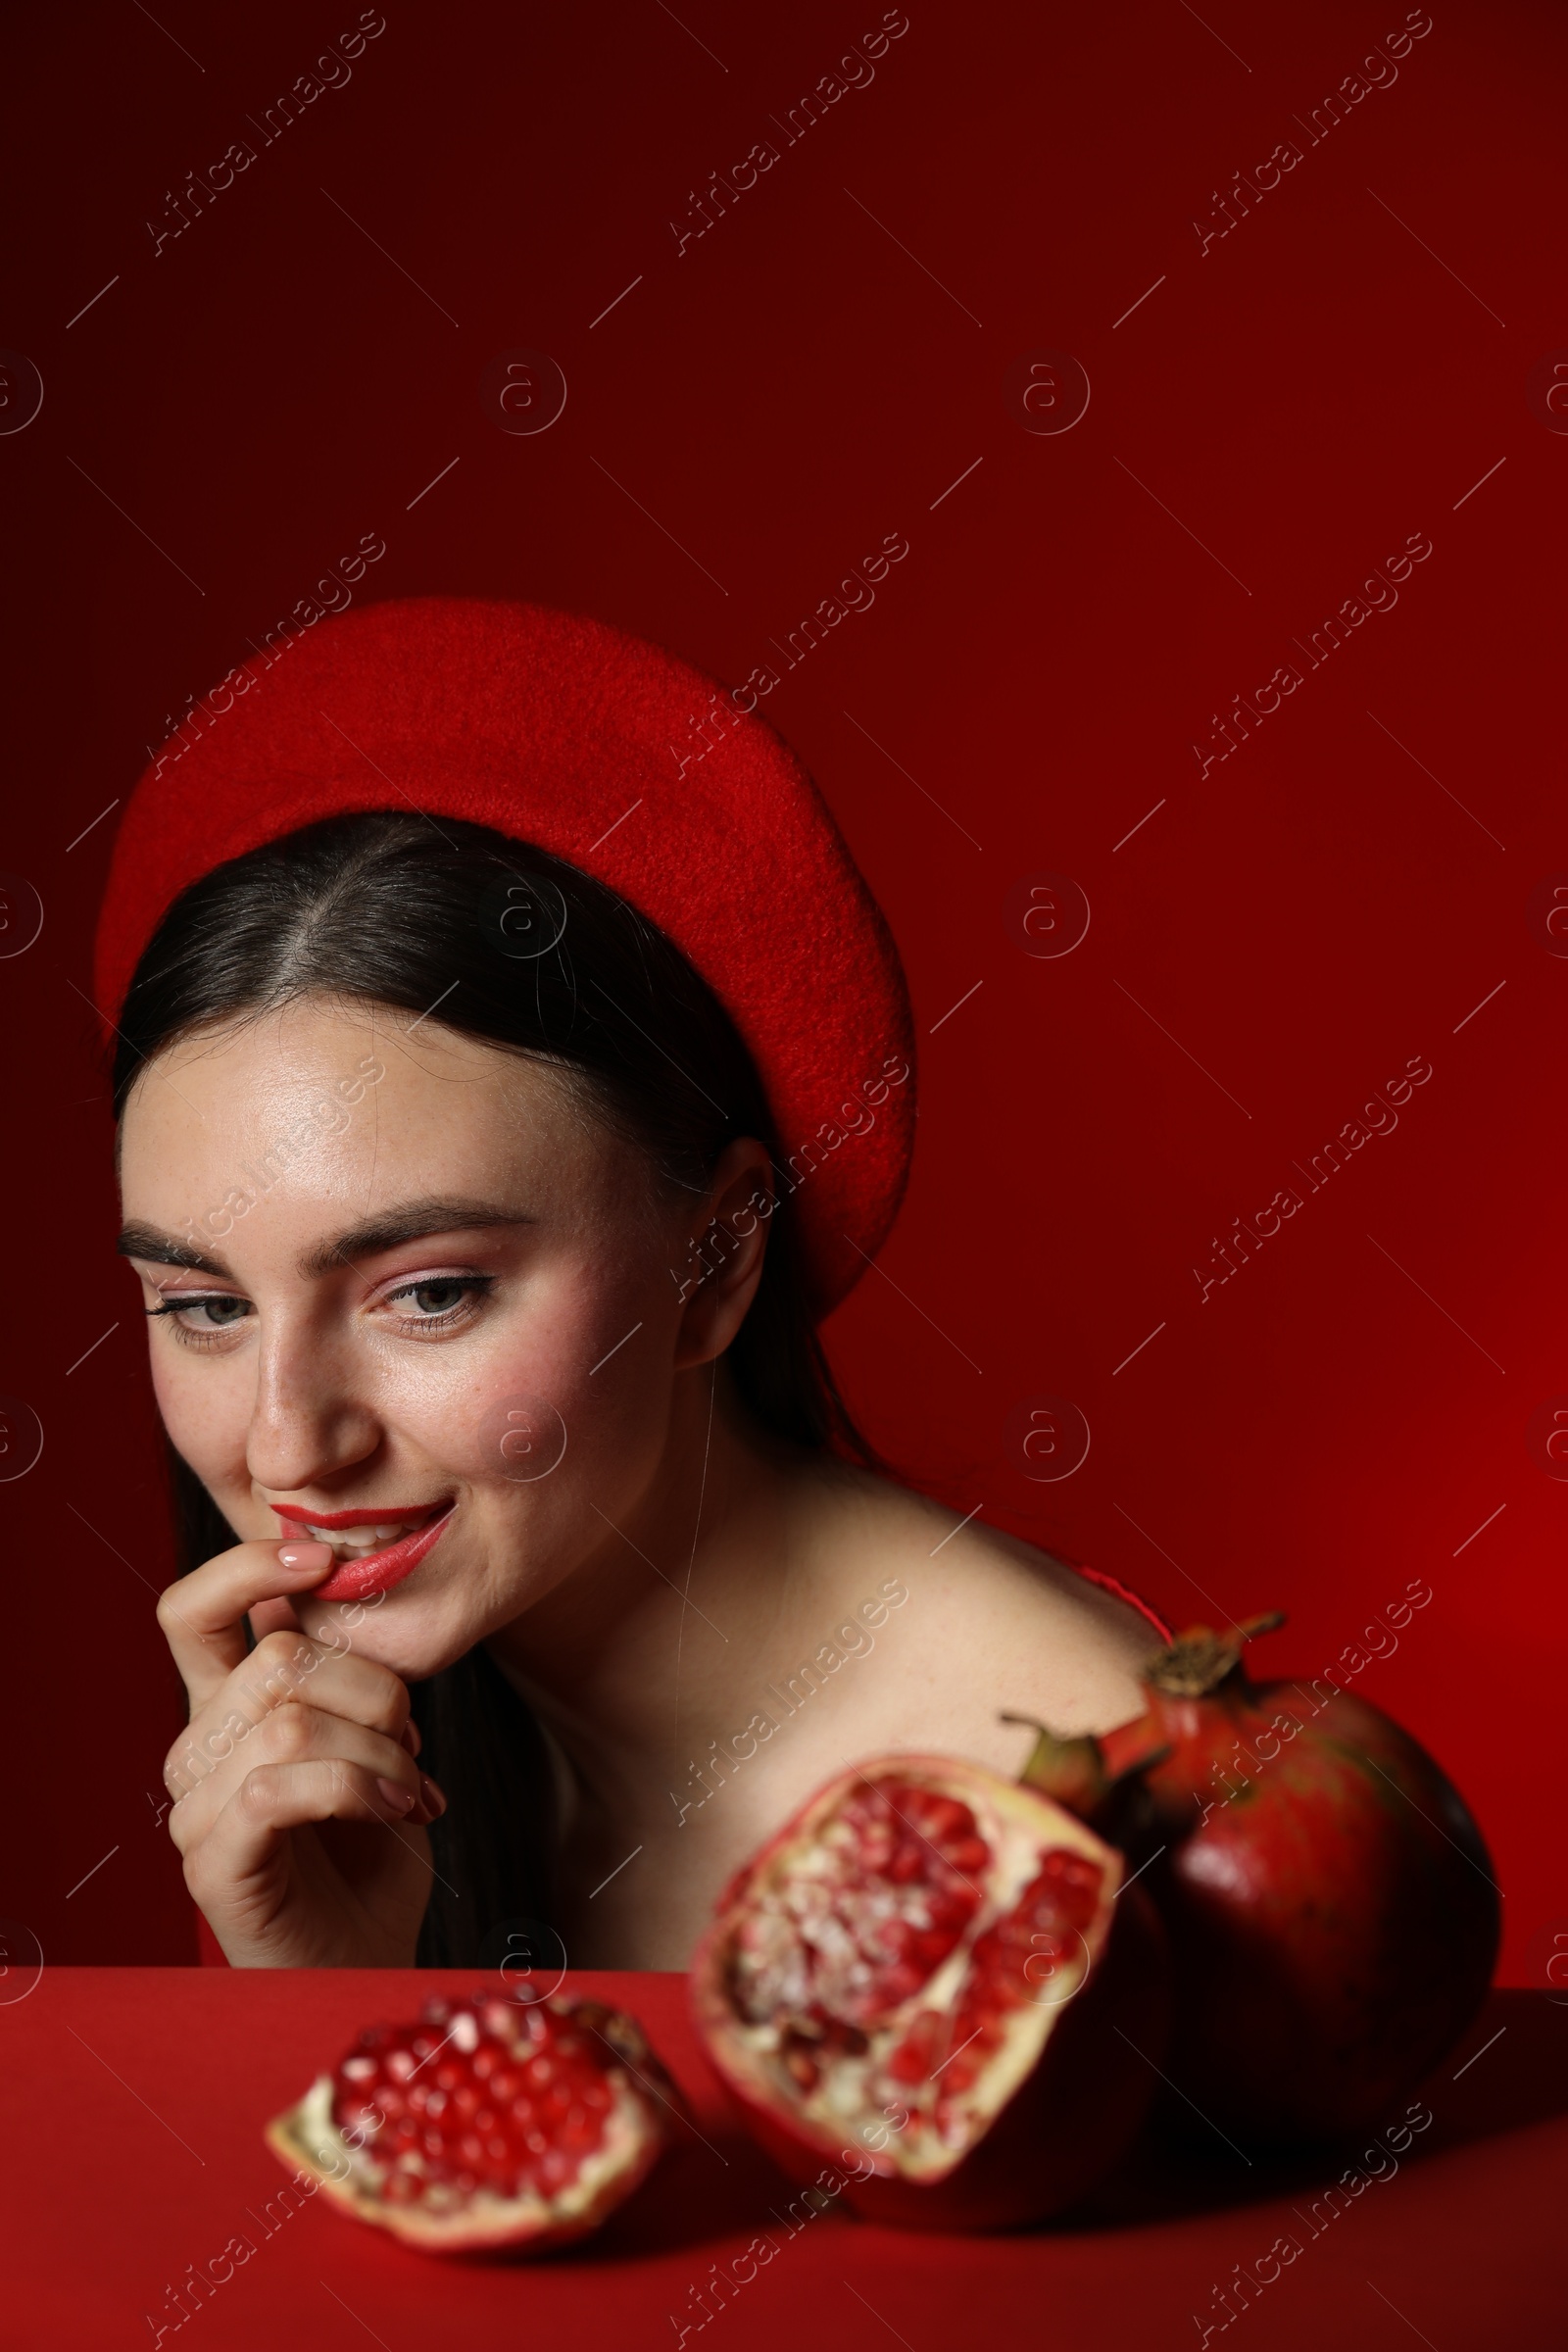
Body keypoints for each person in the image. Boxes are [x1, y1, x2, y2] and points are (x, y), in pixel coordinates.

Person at [95, 597, 1161, 1971]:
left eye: (430, 1295)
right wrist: (312, 1994)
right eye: (207, 1309)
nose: (291, 1442)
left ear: (714, 1260)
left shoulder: (1087, 1814)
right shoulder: (359, 1742)